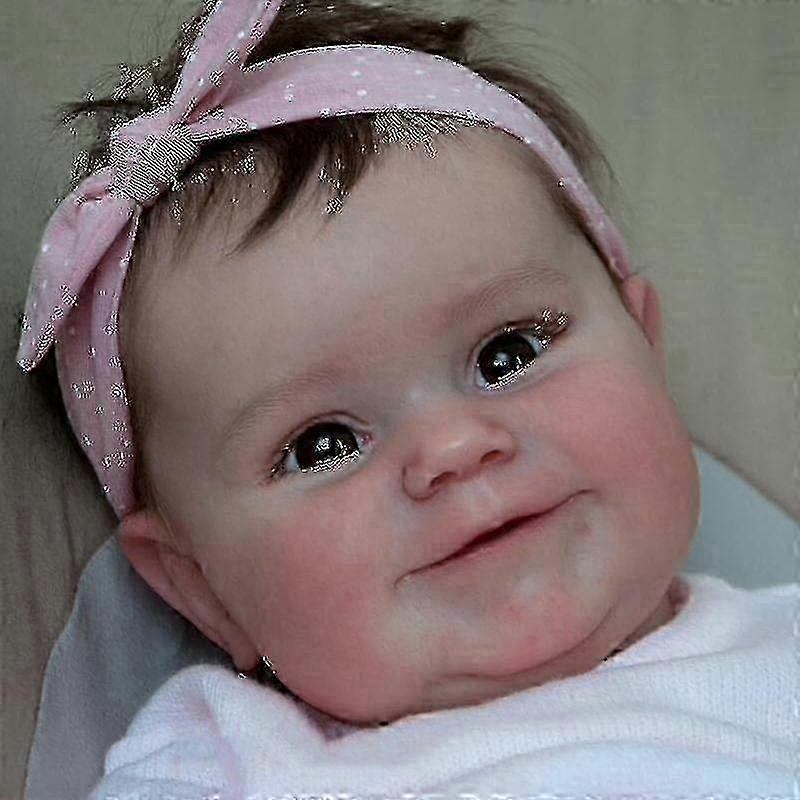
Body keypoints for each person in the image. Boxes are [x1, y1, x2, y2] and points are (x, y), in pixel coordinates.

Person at [16, 0, 796, 795]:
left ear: (645, 347)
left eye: (508, 353)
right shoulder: (226, 762)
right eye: (323, 444)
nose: (453, 448)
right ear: (200, 587)